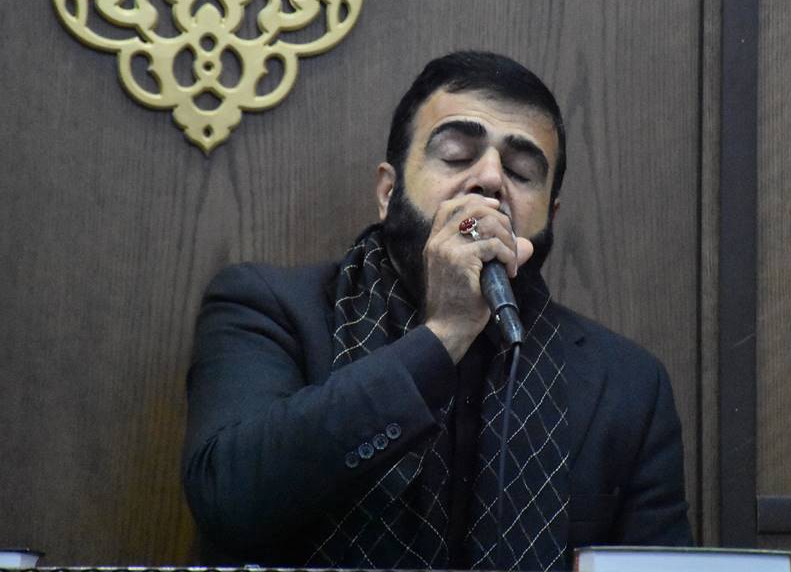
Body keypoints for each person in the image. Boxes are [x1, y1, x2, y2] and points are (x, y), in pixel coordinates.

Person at [182, 51, 692, 571]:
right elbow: (230, 500)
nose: (489, 179)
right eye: (455, 156)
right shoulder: (268, 308)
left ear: (550, 217)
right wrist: (445, 332)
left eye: (521, 172)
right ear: (388, 192)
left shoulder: (626, 383)